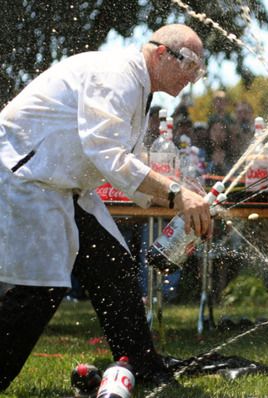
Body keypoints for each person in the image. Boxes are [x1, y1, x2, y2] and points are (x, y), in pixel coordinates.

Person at [0, 24, 213, 390]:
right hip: (28, 177)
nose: (193, 78)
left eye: (199, 70)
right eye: (190, 65)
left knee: (112, 265)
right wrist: (177, 195)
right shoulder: (117, 75)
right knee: (42, 286)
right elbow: (108, 156)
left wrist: (180, 194)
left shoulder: (137, 84)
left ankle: (145, 371)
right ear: (161, 53)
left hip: (62, 185)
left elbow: (125, 157)